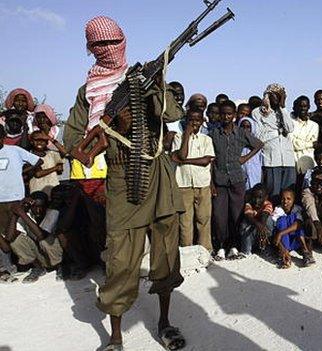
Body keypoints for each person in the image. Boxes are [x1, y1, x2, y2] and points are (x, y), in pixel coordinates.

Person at [63, 16, 188, 350]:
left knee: (165, 253)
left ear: (123, 41)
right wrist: (89, 146)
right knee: (121, 258)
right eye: (100, 45)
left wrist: (157, 85)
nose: (108, 50)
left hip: (158, 170)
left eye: (112, 42)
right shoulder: (88, 90)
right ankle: (116, 337)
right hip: (121, 175)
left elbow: (172, 115)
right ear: (91, 49)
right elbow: (74, 136)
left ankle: (164, 323)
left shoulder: (140, 77)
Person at [209, 100, 264, 261]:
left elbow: (259, 144)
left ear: (234, 115)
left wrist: (244, 158)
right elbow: (212, 160)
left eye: (229, 114)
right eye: (223, 113)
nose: (226, 117)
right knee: (219, 216)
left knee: (235, 215)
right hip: (219, 180)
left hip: (237, 180)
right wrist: (211, 183)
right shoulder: (214, 134)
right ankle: (220, 246)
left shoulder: (240, 133)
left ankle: (233, 246)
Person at [171, 109, 216, 252]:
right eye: (191, 120)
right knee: (185, 221)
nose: (194, 123)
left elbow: (206, 160)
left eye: (197, 120)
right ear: (186, 121)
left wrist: (185, 161)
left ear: (202, 121)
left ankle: (205, 251)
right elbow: (180, 156)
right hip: (184, 184)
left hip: (202, 183)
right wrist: (186, 136)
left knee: (203, 219)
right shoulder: (179, 138)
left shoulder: (206, 139)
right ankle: (187, 251)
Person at [0, 192, 63, 282]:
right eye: (35, 207)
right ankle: (38, 268)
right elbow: (9, 238)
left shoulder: (52, 212)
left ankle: (60, 267)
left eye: (41, 207)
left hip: (56, 255)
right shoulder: (27, 215)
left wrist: (22, 214)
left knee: (45, 241)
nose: (38, 210)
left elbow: (41, 235)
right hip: (42, 257)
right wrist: (15, 214)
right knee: (16, 241)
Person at [253, 83, 296, 199]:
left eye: (280, 96)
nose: (278, 98)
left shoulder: (283, 112)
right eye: (275, 95)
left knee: (289, 193)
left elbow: (290, 128)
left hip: (288, 161)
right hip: (271, 161)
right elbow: (259, 137)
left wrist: (282, 107)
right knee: (274, 194)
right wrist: (277, 132)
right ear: (268, 96)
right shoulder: (258, 112)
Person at [0, 124, 42, 236]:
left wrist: (22, 171)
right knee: (5, 235)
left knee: (20, 233)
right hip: (0, 201)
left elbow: (38, 161)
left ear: (3, 137)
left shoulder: (15, 150)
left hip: (17, 198)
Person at [271, 188, 315, 268]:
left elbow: (298, 224)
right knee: (282, 220)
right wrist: (282, 249)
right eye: (283, 199)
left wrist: (281, 233)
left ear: (293, 200)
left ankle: (306, 252)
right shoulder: (278, 209)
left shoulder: (297, 209)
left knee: (295, 220)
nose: (285, 201)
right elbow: (275, 231)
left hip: (296, 240)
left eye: (288, 199)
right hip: (282, 242)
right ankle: (285, 254)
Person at [240, 184, 273, 257]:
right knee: (244, 223)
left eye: (260, 198)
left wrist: (262, 227)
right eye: (254, 197)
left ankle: (265, 248)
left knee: (269, 220)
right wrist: (259, 225)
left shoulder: (268, 204)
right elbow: (249, 216)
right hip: (253, 236)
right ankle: (246, 250)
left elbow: (265, 215)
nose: (257, 200)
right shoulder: (249, 204)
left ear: (266, 197)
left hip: (262, 235)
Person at [28, 130, 64, 196]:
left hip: (53, 190)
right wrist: (55, 168)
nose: (40, 142)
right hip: (37, 191)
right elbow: (38, 174)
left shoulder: (51, 154)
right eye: (37, 140)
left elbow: (64, 152)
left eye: (43, 140)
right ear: (31, 142)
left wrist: (50, 138)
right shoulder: (28, 155)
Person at [290, 95, 319, 174]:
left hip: (309, 162)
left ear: (309, 107)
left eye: (305, 106)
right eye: (300, 106)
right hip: (294, 162)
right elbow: (293, 144)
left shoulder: (314, 125)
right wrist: (310, 144)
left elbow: (314, 145)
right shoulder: (291, 123)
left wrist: (299, 142)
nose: (303, 109)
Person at [238, 116, 263, 190]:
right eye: (243, 127)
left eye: (248, 127)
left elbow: (261, 162)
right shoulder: (236, 142)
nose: (245, 129)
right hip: (241, 177)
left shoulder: (257, 142)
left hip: (255, 175)